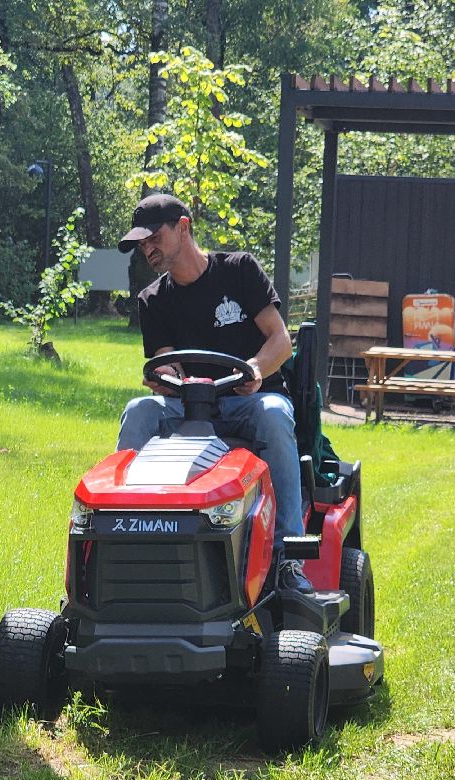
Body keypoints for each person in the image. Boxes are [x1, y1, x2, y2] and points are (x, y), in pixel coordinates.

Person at [116, 192, 312, 593]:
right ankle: (125, 538)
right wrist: (166, 376)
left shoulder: (239, 271)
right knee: (139, 410)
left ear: (183, 227)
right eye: (142, 245)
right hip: (189, 408)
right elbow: (166, 361)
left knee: (275, 412)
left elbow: (281, 340)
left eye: (154, 238)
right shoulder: (153, 301)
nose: (148, 249)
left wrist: (255, 369)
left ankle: (287, 558)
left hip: (249, 401)